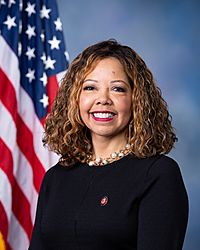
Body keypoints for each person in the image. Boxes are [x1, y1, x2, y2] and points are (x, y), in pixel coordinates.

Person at [29, 39, 188, 250]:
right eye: (90, 87)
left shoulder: (158, 174)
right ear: (75, 99)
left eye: (118, 89)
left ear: (137, 100)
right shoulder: (56, 177)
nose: (103, 99)